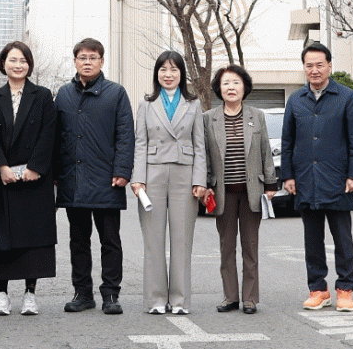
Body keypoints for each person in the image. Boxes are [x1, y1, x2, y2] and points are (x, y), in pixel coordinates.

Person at [281, 42, 353, 312]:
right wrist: (288, 176)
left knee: (343, 239)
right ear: (304, 68)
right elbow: (287, 141)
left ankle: (345, 289)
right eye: (309, 65)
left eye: (320, 64)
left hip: (339, 180)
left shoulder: (347, 97)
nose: (314, 70)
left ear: (329, 66)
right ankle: (318, 289)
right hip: (306, 180)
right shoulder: (296, 100)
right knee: (312, 241)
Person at [53, 38, 135, 315]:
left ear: (101, 61)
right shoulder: (64, 94)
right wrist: (56, 173)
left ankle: (111, 294)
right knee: (78, 241)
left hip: (107, 181)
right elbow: (56, 137)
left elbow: (125, 135)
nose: (87, 62)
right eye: (82, 57)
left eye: (93, 57)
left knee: (110, 241)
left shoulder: (116, 93)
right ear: (75, 61)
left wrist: (122, 171)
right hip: (73, 179)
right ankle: (82, 293)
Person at [0, 41, 57, 316]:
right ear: (3, 64)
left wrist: (36, 167)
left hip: (34, 180)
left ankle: (30, 294)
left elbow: (49, 133)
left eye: (23, 60)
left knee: (33, 239)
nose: (18, 65)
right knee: (2, 238)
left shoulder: (43, 95)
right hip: (3, 179)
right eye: (12, 60)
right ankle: (2, 294)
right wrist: (1, 167)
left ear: (29, 65)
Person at [130, 51, 206, 315]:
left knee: (182, 239)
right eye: (163, 69)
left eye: (174, 69)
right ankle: (155, 300)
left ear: (181, 74)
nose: (168, 74)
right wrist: (138, 178)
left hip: (185, 173)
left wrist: (200, 179)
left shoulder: (193, 104)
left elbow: (200, 145)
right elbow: (140, 143)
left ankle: (180, 300)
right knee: (153, 239)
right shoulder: (146, 103)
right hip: (153, 173)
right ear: (157, 74)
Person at [202, 64, 276, 315]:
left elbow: (265, 150)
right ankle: (230, 296)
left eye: (236, 82)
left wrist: (271, 184)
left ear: (244, 87)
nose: (231, 87)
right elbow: (205, 155)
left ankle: (250, 298)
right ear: (219, 89)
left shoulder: (257, 115)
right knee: (226, 247)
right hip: (222, 192)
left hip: (251, 191)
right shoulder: (208, 118)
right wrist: (205, 184)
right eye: (226, 83)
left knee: (250, 246)